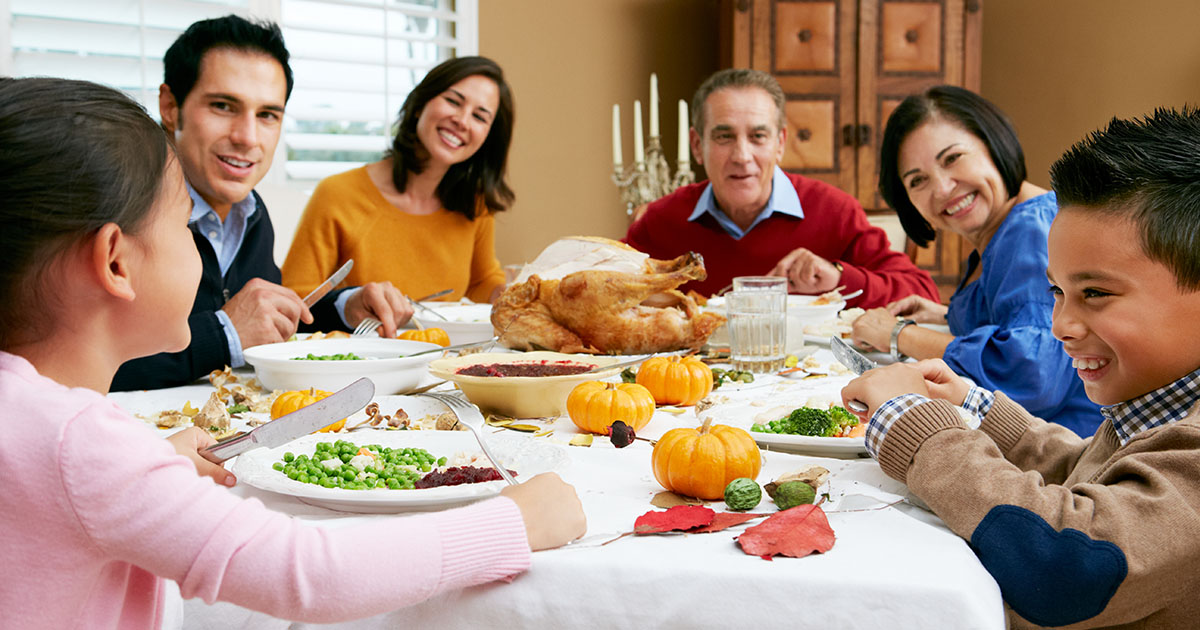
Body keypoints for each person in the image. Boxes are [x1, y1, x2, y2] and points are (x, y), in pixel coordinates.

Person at [0, 76, 585, 628]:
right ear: (115, 262)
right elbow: (307, 570)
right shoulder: (84, 449)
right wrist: (513, 523)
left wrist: (152, 459)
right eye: (184, 226)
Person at [841, 107, 1200, 629]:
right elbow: (1088, 472)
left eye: (1095, 293)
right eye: (1057, 292)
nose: (1060, 325)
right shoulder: (1156, 408)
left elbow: (1065, 567)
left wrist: (918, 429)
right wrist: (974, 408)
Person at [111, 15, 412, 392]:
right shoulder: (119, 209)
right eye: (223, 106)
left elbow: (260, 321)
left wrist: (345, 307)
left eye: (267, 115)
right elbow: (74, 359)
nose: (248, 137)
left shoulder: (251, 211)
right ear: (171, 107)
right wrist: (224, 335)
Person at [850, 85, 1100, 436]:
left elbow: (1031, 373)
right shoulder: (1004, 230)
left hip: (1068, 459)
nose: (942, 188)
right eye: (918, 180)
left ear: (993, 143)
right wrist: (944, 313)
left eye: (952, 158)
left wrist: (898, 334)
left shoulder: (1028, 231)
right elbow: (1023, 315)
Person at [623, 68, 938, 308]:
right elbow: (601, 286)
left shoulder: (835, 211)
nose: (742, 156)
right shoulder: (663, 219)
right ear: (697, 145)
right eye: (724, 137)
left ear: (780, 143)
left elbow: (923, 293)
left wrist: (839, 277)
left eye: (758, 136)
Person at [281, 56, 512, 305]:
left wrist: (515, 292)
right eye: (453, 101)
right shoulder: (337, 194)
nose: (462, 121)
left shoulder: (475, 205)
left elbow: (482, 281)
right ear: (418, 106)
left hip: (441, 344)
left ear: (488, 138)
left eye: (480, 117)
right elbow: (296, 296)